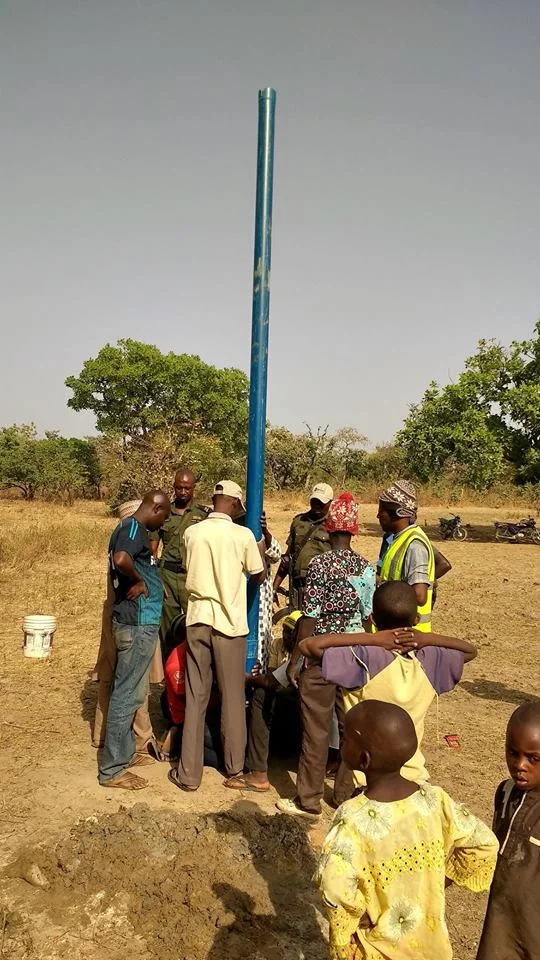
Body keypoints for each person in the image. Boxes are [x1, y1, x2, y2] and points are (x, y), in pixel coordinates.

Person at [316, 700, 498, 960]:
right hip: (431, 948)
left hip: (377, 949)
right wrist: (440, 879)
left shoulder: (352, 817)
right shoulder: (436, 800)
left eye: (345, 738)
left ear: (363, 759)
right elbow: (485, 844)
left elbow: (333, 886)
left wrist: (354, 920)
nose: (342, 743)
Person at [305, 581, 476, 787]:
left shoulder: (364, 658)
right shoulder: (429, 661)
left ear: (373, 619)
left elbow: (309, 645)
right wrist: (426, 638)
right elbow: (470, 651)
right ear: (416, 619)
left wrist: (372, 639)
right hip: (413, 777)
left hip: (367, 780)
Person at [277, 493, 376, 820]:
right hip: (353, 655)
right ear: (353, 531)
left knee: (316, 730)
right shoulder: (365, 568)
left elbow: (310, 616)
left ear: (330, 528)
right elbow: (367, 618)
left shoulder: (320, 565)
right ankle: (344, 794)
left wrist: (296, 659)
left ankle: (308, 799)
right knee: (351, 728)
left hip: (321, 654)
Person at [169, 480, 266, 793]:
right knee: (233, 698)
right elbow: (259, 574)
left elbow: (188, 568)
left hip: (197, 621)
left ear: (214, 500)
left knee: (196, 696)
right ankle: (234, 768)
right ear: (236, 505)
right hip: (230, 625)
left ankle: (188, 774)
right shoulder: (243, 535)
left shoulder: (192, 533)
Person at [98, 490, 170, 790]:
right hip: (136, 623)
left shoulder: (135, 530)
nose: (162, 521)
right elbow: (121, 558)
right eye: (163, 515)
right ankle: (112, 770)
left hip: (140, 623)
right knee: (126, 695)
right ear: (155, 508)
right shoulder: (132, 528)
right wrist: (140, 582)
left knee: (133, 693)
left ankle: (125, 754)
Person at [476, 701, 540, 960]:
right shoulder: (505, 794)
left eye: (534, 758)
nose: (520, 765)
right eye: (513, 753)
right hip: (500, 924)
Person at [241, 610, 303, 792]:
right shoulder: (278, 645)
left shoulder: (302, 654)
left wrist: (249, 679)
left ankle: (257, 771)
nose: (286, 635)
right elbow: (273, 676)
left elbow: (271, 681)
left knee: (261, 696)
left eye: (291, 632)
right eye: (285, 630)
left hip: (296, 707)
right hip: (287, 702)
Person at [149, 469, 208, 645]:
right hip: (166, 576)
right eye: (179, 488)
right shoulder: (163, 512)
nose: (183, 492)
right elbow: (152, 550)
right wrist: (156, 579)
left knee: (196, 623)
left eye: (187, 488)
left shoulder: (203, 514)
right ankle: (169, 667)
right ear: (174, 488)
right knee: (168, 627)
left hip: (191, 575)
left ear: (193, 489)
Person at [377, 479, 438, 631]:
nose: (378, 516)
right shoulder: (399, 539)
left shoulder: (414, 545)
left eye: (382, 511)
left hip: (409, 636)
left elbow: (419, 595)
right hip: (395, 631)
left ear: (397, 513)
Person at [273, 482, 334, 610]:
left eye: (321, 502)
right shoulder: (298, 522)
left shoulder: (334, 526)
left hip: (323, 587)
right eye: (314, 501)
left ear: (329, 503)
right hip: (298, 586)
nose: (317, 505)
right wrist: (274, 588)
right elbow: (288, 557)